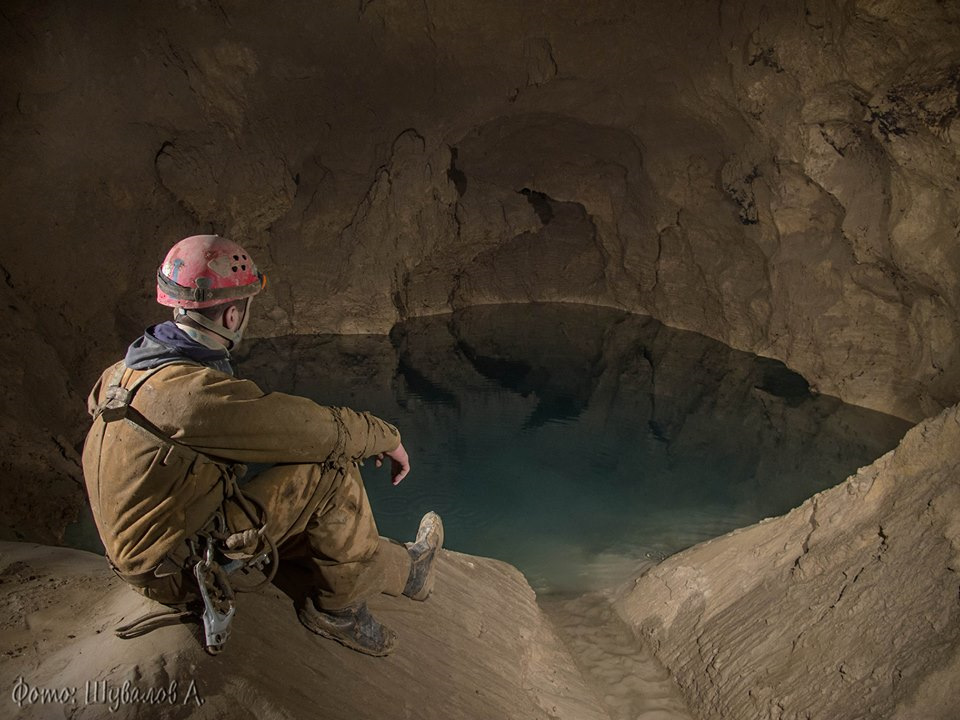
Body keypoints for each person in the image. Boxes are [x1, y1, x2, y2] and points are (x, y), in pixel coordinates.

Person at [81, 233, 442, 656]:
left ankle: (399, 568)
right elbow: (319, 432)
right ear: (232, 316)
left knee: (295, 496)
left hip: (149, 553)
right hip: (178, 570)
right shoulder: (195, 397)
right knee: (331, 472)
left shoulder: (119, 375)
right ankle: (340, 611)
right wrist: (387, 437)